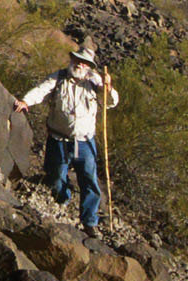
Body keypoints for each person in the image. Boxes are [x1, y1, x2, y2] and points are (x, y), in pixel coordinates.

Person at [13, 48, 118, 238]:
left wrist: (108, 88)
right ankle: (62, 203)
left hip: (85, 141)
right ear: (72, 60)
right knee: (57, 178)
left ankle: (89, 222)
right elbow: (41, 90)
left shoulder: (95, 82)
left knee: (89, 180)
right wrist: (26, 101)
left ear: (89, 66)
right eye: (77, 60)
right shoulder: (59, 77)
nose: (79, 64)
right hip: (58, 139)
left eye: (84, 62)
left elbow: (111, 102)